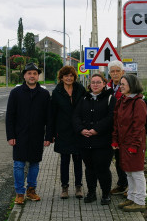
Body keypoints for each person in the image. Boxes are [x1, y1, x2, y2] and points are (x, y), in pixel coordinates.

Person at [5, 62, 52, 205]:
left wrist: (48, 136)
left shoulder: (44, 94)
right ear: (24, 75)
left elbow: (49, 117)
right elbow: (10, 116)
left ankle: (31, 190)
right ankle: (19, 193)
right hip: (20, 135)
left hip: (37, 135)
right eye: (29, 73)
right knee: (18, 164)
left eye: (35, 73)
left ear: (38, 76)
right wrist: (11, 136)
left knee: (34, 164)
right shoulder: (16, 93)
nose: (32, 76)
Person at [73, 73, 116, 205]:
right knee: (89, 168)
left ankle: (105, 194)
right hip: (85, 141)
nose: (95, 85)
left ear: (104, 84)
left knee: (102, 168)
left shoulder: (110, 98)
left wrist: (96, 129)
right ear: (89, 85)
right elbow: (76, 116)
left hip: (103, 141)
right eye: (93, 82)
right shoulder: (84, 98)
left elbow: (110, 118)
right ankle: (91, 193)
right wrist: (81, 129)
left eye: (98, 82)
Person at [111, 74, 147, 212]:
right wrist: (115, 140)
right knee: (128, 172)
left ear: (132, 85)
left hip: (134, 144)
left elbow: (138, 127)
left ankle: (140, 201)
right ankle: (131, 197)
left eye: (123, 84)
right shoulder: (122, 100)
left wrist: (134, 145)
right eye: (121, 84)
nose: (121, 86)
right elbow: (116, 122)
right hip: (123, 143)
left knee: (137, 173)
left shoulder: (138, 103)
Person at [51, 66, 86, 199]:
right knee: (64, 161)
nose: (69, 78)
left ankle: (78, 187)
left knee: (78, 160)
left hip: (78, 131)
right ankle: (64, 188)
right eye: (66, 76)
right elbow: (52, 114)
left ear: (74, 77)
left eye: (71, 75)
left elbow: (85, 109)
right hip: (63, 132)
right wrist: (52, 134)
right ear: (61, 77)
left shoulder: (80, 90)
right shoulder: (56, 92)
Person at [107, 61, 129, 196]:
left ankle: (127, 185)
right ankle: (119, 184)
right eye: (112, 71)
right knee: (111, 158)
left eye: (117, 71)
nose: (115, 73)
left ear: (122, 72)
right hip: (109, 129)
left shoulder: (127, 86)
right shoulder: (107, 87)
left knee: (123, 159)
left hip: (123, 129)